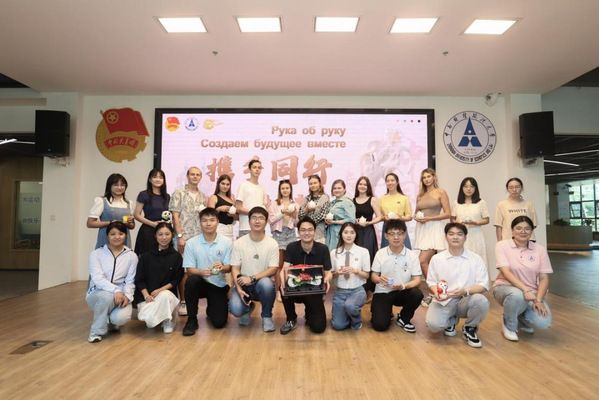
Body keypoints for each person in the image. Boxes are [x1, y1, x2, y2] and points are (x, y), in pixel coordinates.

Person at [425, 223, 490, 348]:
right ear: (446, 237)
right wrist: (437, 292)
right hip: (445, 299)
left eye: (459, 234)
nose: (455, 237)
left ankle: (469, 328)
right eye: (451, 234)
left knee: (481, 300)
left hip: (466, 299)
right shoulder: (437, 259)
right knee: (433, 325)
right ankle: (451, 321)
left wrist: (465, 291)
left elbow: (483, 285)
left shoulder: (475, 259)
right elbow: (431, 282)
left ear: (465, 237)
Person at [493, 216, 552, 342]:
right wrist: (525, 290)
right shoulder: (502, 246)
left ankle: (520, 318)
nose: (523, 231)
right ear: (512, 231)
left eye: (527, 228)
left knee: (543, 322)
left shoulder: (540, 250)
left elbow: (544, 278)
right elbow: (506, 272)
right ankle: (509, 325)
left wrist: (538, 300)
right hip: (505, 288)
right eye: (518, 228)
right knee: (517, 295)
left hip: (531, 293)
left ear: (531, 231)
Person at [181, 208, 232, 336]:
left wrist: (221, 268)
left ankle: (212, 308)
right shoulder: (191, 243)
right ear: (200, 222)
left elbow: (229, 267)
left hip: (217, 284)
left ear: (218, 222)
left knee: (219, 323)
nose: (208, 223)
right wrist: (201, 272)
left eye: (212, 220)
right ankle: (192, 319)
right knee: (191, 280)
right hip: (199, 283)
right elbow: (189, 269)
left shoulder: (226, 242)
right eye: (204, 220)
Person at [279, 217, 333, 335]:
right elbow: (284, 269)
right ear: (298, 232)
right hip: (296, 288)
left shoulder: (323, 249)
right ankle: (291, 319)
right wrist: (283, 284)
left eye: (310, 230)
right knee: (282, 286)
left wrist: (327, 279)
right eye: (303, 230)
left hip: (314, 290)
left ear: (315, 231)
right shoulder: (291, 247)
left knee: (318, 328)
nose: (306, 233)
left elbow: (328, 272)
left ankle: (309, 313)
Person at [86, 221, 137, 343]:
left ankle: (111, 322)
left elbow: (130, 280)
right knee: (107, 297)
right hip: (98, 293)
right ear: (107, 236)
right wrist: (116, 290)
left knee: (120, 318)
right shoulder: (96, 254)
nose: (117, 237)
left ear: (125, 235)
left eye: (121, 234)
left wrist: (128, 296)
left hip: (121, 295)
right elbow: (97, 279)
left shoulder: (132, 256)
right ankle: (95, 332)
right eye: (113, 234)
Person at [230, 207, 279, 332]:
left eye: (261, 218)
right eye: (254, 218)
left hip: (261, 283)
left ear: (266, 222)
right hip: (243, 284)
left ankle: (267, 316)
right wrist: (239, 288)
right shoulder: (239, 243)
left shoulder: (272, 243)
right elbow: (235, 268)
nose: (257, 221)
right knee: (236, 309)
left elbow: (273, 269)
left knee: (267, 284)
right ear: (249, 221)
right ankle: (247, 308)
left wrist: (252, 278)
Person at [370, 220, 423, 332]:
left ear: (405, 235)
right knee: (380, 326)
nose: (396, 237)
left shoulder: (412, 255)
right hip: (383, 292)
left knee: (417, 294)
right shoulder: (380, 253)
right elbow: (373, 276)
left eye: (399, 233)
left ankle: (404, 318)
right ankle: (386, 312)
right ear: (386, 236)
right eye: (392, 234)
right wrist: (379, 279)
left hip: (402, 291)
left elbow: (417, 280)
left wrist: (404, 286)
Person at [169, 166, 207, 316]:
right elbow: (175, 216)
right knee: (184, 271)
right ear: (187, 176)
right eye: (192, 174)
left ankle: (193, 302)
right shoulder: (179, 193)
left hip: (199, 239)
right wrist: (179, 236)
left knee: (195, 271)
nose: (195, 177)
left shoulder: (203, 196)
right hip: (183, 238)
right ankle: (183, 302)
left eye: (198, 175)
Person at [134, 222, 183, 334]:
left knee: (164, 296)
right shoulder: (145, 256)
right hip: (148, 297)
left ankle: (168, 320)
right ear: (155, 236)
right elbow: (139, 279)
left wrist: (160, 290)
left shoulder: (177, 257)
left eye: (167, 234)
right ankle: (159, 315)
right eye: (160, 234)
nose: (164, 237)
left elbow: (176, 280)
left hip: (167, 296)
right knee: (150, 322)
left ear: (172, 235)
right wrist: (146, 295)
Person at [414, 168, 450, 306]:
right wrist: (417, 218)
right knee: (427, 262)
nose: (427, 179)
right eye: (424, 177)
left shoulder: (441, 192)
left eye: (429, 176)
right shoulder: (420, 195)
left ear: (434, 177)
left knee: (422, 261)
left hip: (435, 228)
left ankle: (434, 293)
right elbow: (416, 213)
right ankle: (436, 292)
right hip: (423, 229)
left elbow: (447, 213)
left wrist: (429, 218)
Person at [330, 223, 370, 330]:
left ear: (356, 235)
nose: (349, 235)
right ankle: (348, 314)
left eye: (352, 232)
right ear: (341, 234)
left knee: (350, 306)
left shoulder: (363, 252)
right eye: (346, 232)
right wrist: (337, 273)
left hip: (357, 291)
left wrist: (356, 271)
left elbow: (367, 275)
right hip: (340, 292)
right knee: (338, 325)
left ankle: (356, 320)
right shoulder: (334, 253)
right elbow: (331, 276)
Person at [353, 176, 383, 303]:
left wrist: (369, 222)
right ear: (357, 186)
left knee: (369, 258)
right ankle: (359, 290)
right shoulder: (353, 200)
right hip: (356, 232)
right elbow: (351, 216)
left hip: (368, 232)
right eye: (360, 184)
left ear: (368, 186)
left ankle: (370, 291)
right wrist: (355, 221)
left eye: (365, 184)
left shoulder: (372, 199)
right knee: (357, 260)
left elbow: (380, 216)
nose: (362, 186)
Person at [267, 179, 298, 301]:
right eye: (283, 188)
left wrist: (294, 215)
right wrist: (282, 212)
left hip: (291, 234)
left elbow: (297, 223)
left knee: (290, 265)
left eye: (287, 188)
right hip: (278, 235)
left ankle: (289, 289)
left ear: (290, 189)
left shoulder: (295, 204)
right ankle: (279, 291)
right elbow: (271, 220)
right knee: (279, 265)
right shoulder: (274, 203)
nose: (285, 190)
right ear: (280, 190)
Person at [87, 173, 135, 249]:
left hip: (124, 240)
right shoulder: (102, 201)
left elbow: (132, 226)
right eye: (116, 185)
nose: (119, 187)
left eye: (122, 185)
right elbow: (90, 223)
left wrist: (129, 223)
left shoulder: (129, 203)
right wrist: (110, 222)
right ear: (109, 186)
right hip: (106, 238)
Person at [450, 177, 490, 265]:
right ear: (462, 188)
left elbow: (487, 220)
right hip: (460, 235)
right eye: (466, 186)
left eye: (471, 186)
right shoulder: (456, 202)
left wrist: (476, 223)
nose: (468, 189)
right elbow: (452, 218)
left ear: (475, 188)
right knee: (461, 260)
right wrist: (457, 223)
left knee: (477, 260)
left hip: (476, 234)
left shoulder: (481, 202)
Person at [133, 168, 170, 256]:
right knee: (148, 258)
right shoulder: (144, 194)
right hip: (148, 231)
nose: (158, 179)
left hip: (163, 232)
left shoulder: (167, 196)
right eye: (155, 177)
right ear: (150, 179)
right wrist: (152, 224)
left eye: (160, 177)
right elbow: (136, 215)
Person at [379, 173, 412, 249]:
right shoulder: (381, 199)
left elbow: (409, 217)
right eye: (388, 181)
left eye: (392, 180)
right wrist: (384, 217)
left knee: (404, 251)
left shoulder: (404, 198)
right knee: (386, 252)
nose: (390, 183)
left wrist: (400, 217)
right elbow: (380, 217)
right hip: (387, 228)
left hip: (400, 227)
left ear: (397, 182)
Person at [236, 159, 267, 238]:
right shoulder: (243, 185)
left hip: (260, 228)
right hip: (245, 227)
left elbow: (264, 208)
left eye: (259, 168)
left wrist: (258, 215)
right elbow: (238, 208)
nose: (257, 169)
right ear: (250, 169)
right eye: (254, 167)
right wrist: (254, 213)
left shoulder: (262, 188)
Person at [298, 174, 330, 244]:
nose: (313, 185)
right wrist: (307, 210)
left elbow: (322, 216)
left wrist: (307, 221)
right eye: (311, 184)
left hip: (319, 233)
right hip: (306, 234)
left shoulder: (325, 198)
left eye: (315, 183)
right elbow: (300, 216)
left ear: (319, 183)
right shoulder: (307, 198)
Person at [325, 179, 356, 250]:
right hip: (330, 232)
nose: (337, 190)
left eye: (339, 188)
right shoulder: (332, 202)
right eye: (334, 188)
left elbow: (352, 220)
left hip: (340, 232)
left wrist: (334, 222)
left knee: (339, 253)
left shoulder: (347, 202)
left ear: (344, 190)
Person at [207, 174, 236, 241]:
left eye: (227, 184)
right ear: (218, 184)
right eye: (223, 183)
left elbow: (237, 217)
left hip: (230, 229)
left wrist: (233, 215)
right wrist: (219, 209)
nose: (225, 186)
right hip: (218, 229)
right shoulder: (213, 197)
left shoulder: (232, 198)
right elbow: (209, 216)